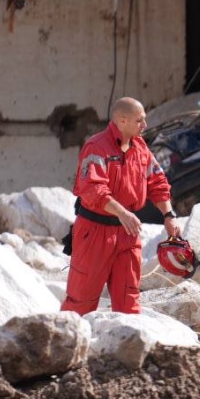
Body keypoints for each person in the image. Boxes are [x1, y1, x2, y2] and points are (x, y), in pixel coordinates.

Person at [63, 97, 181, 315]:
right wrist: (122, 213)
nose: (145, 125)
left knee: (129, 302)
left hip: (128, 233)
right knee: (80, 304)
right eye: (140, 120)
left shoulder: (141, 148)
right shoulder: (96, 148)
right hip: (95, 234)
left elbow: (157, 182)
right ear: (122, 120)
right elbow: (93, 190)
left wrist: (169, 215)